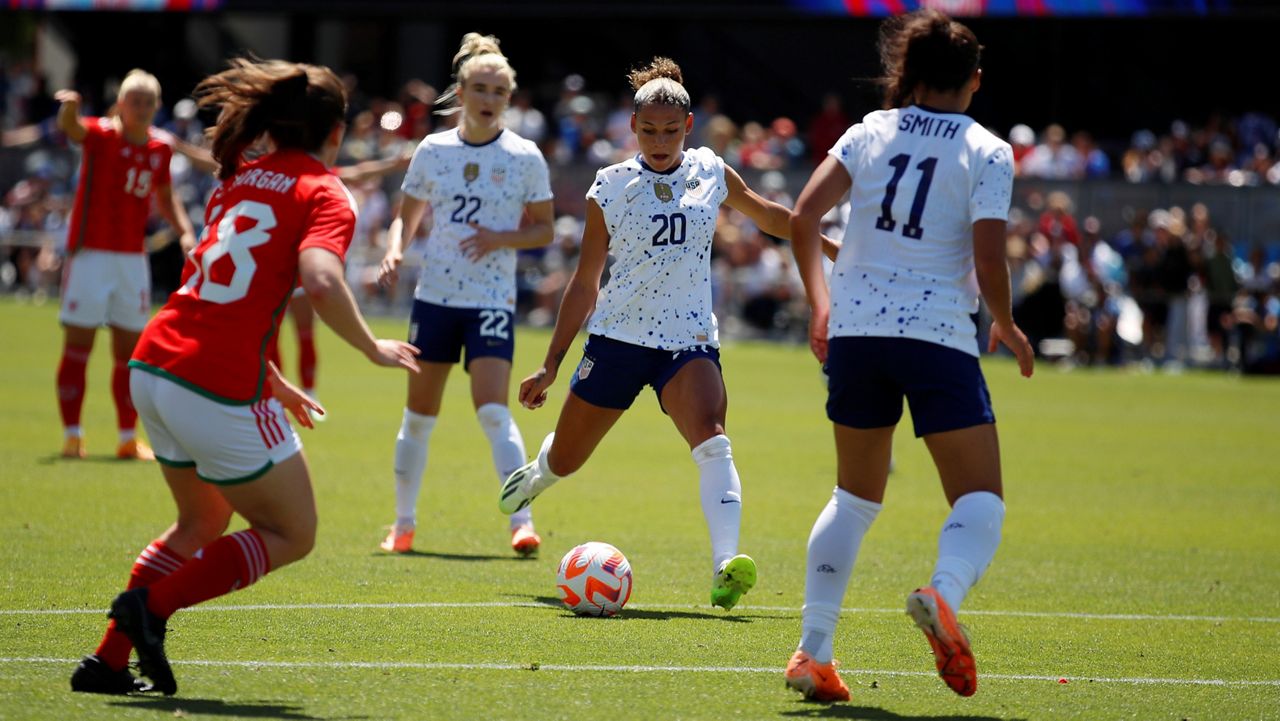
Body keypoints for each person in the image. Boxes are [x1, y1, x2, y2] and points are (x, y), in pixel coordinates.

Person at [68, 57, 419, 697]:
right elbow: (319, 278)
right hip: (211, 380)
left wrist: (275, 381)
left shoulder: (242, 176)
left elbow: (226, 292)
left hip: (154, 363)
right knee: (292, 532)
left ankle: (107, 662)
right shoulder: (324, 191)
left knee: (199, 523)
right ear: (335, 132)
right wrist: (370, 346)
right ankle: (151, 610)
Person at [497, 57, 838, 611]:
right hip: (617, 340)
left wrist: (822, 244)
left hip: (688, 342)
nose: (660, 140)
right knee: (568, 459)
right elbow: (584, 284)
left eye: (671, 130)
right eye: (649, 130)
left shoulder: (711, 170)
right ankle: (537, 475)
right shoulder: (609, 187)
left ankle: (726, 563)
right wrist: (552, 364)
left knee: (712, 435)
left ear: (688, 128)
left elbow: (770, 216)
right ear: (632, 127)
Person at [781, 10, 1034, 702]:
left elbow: (803, 216)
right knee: (980, 500)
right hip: (936, 335)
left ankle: (813, 651)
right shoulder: (987, 150)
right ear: (975, 81)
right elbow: (987, 255)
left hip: (857, 332)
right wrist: (1007, 323)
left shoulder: (870, 128)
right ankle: (942, 593)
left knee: (854, 497)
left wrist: (820, 301)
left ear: (910, 75)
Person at [377, 33, 554, 557]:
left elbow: (544, 230)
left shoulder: (524, 156)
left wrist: (501, 238)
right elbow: (404, 219)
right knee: (418, 417)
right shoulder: (433, 151)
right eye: (479, 88)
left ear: (508, 97)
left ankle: (521, 522)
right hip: (434, 299)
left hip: (491, 301)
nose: (488, 98)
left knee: (494, 412)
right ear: (461, 90)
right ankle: (402, 525)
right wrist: (393, 251)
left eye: (498, 91)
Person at [55, 69, 196, 460]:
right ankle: (72, 433)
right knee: (78, 347)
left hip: (132, 260)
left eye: (149, 102)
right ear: (120, 104)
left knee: (129, 354)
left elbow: (167, 198)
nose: (143, 108)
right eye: (135, 101)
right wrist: (70, 109)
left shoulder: (159, 149)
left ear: (158, 106)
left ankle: (125, 437)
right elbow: (73, 129)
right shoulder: (102, 135)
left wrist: (184, 231)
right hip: (91, 256)